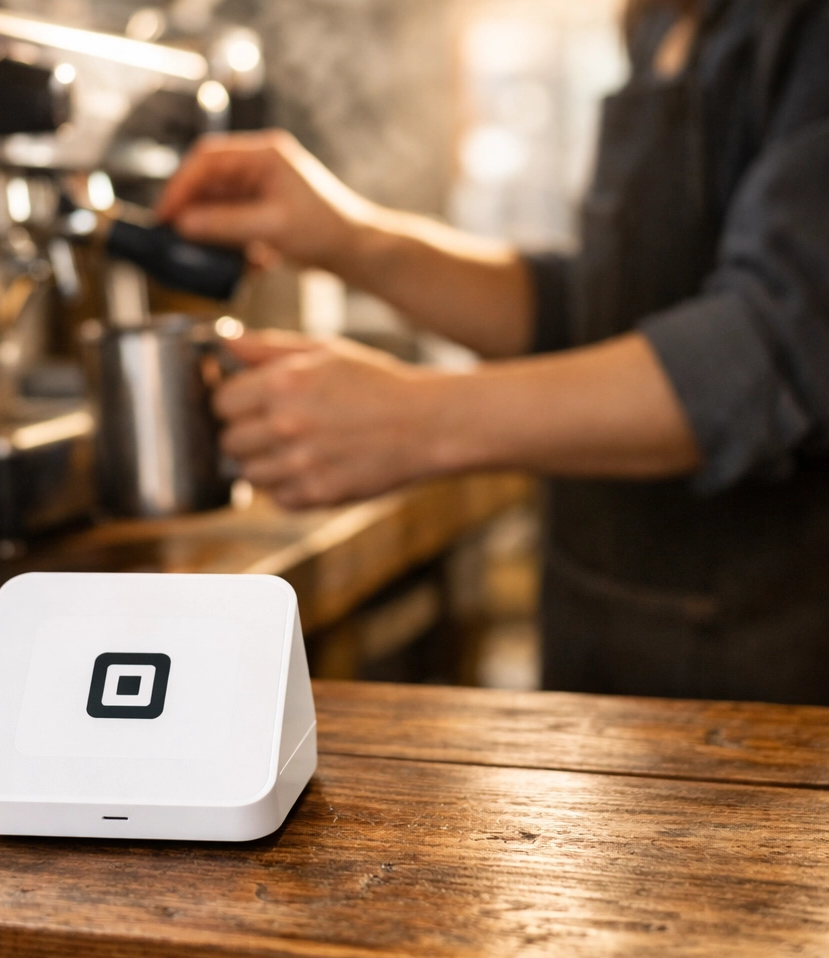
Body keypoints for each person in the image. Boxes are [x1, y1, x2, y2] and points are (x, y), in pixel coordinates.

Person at [157, 0, 829, 704]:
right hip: (610, 639)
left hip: (781, 676)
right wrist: (353, 239)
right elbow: (600, 313)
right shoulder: (664, 21)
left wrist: (413, 420)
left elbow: (764, 353)